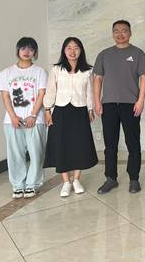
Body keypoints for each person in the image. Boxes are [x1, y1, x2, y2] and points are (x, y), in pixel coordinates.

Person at [93, 20, 145, 194]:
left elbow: (143, 78)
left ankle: (134, 179)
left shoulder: (137, 53)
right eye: (116, 31)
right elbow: (97, 79)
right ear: (112, 34)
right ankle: (111, 178)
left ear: (130, 33)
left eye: (124, 30)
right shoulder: (104, 55)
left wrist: (140, 101)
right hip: (108, 105)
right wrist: (97, 101)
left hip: (130, 105)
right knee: (110, 144)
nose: (120, 34)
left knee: (133, 143)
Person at [43, 37, 98, 197]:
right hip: (61, 111)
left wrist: (90, 109)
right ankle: (66, 182)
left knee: (79, 145)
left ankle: (76, 180)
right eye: (69, 48)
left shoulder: (88, 70)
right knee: (62, 145)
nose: (72, 51)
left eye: (76, 48)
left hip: (80, 111)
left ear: (81, 50)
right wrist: (47, 109)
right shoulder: (56, 69)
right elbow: (50, 90)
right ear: (64, 50)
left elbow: (90, 92)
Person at [0, 37, 47, 199]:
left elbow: (42, 94)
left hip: (35, 120)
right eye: (23, 48)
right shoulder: (6, 73)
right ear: (18, 50)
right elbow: (5, 96)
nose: (26, 52)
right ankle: (18, 185)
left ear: (35, 52)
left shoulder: (40, 71)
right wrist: (12, 116)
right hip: (12, 121)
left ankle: (33, 184)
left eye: (31, 49)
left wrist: (33, 115)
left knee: (37, 153)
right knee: (15, 154)